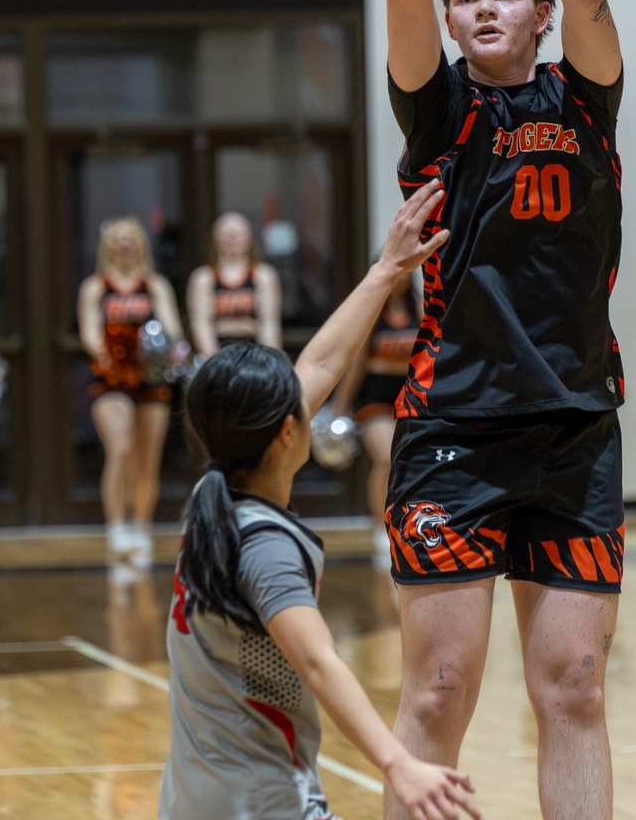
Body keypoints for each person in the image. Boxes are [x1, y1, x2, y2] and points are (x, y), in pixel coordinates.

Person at [314, 0, 625, 819]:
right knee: (441, 690)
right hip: (456, 424)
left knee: (574, 686)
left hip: (576, 425)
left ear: (536, 16)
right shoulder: (439, 109)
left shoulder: (584, 97)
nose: (483, 6)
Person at [161, 179, 476, 820]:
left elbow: (324, 363)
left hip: (193, 802)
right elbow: (318, 660)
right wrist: (398, 763)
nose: (310, 397)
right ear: (286, 430)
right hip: (265, 803)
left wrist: (387, 269)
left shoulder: (212, 494)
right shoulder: (265, 544)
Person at [79, 217, 184, 570]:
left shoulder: (156, 286)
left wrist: (167, 349)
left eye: (130, 238)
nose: (124, 244)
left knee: (146, 459)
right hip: (111, 378)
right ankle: (116, 528)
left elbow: (171, 329)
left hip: (151, 379)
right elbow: (90, 336)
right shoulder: (96, 287)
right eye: (117, 239)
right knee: (120, 448)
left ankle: (142, 526)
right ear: (107, 245)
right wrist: (111, 350)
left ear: (141, 244)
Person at [333, 268, 422, 568]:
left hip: (411, 399)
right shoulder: (372, 313)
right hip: (375, 400)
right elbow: (357, 363)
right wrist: (338, 407)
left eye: (405, 273)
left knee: (412, 464)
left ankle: (409, 526)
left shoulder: (420, 308)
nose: (398, 278)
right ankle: (379, 528)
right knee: (385, 459)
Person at [187, 212, 283, 356]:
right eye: (227, 234)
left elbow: (269, 325)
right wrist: (214, 362)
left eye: (238, 233)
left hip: (254, 352)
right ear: (215, 239)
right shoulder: (203, 278)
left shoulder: (264, 276)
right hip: (218, 352)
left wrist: (270, 360)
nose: (232, 238)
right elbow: (201, 326)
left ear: (250, 239)